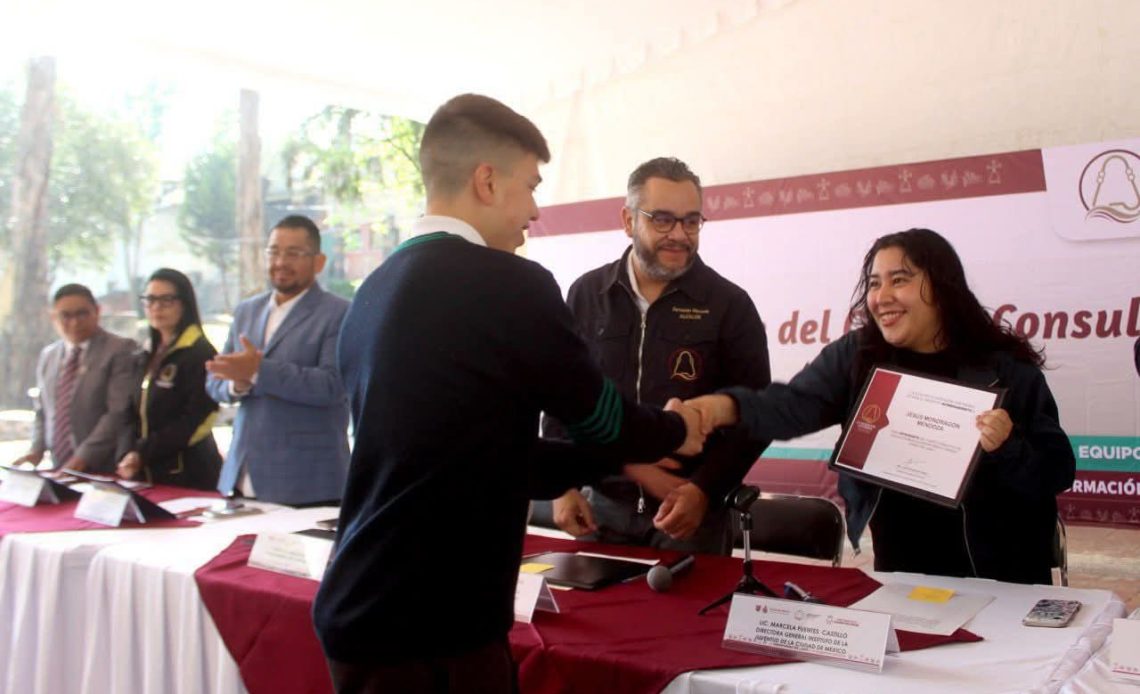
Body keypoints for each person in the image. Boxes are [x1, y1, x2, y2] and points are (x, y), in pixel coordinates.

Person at [312, 94, 704, 694]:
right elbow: (602, 419)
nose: (535, 210)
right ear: (487, 181)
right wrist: (678, 428)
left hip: (364, 606)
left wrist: (620, 460)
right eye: (529, 186)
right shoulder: (510, 285)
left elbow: (493, 457)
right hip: (433, 625)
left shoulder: (373, 290)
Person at [689, 228, 1074, 584]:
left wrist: (1008, 447)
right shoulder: (856, 358)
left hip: (1005, 577)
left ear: (941, 286)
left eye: (900, 280)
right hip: (903, 576)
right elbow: (792, 407)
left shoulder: (1007, 370)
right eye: (874, 284)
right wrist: (724, 408)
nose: (881, 296)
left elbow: (1057, 471)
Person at [543, 157, 771, 554]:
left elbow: (755, 416)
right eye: (662, 220)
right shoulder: (586, 294)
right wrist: (562, 485)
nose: (679, 235)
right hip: (600, 509)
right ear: (629, 221)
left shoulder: (730, 305)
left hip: (690, 516)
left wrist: (704, 490)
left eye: (691, 221)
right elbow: (561, 399)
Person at [205, 215, 350, 506]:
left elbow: (333, 386)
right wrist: (238, 384)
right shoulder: (246, 311)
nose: (280, 262)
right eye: (273, 252)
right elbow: (215, 383)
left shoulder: (340, 313)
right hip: (241, 475)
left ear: (319, 262)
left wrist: (259, 371)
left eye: (293, 253)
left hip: (307, 482)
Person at [12, 284, 136, 473]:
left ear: (97, 311)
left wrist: (83, 457)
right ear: (53, 317)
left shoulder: (120, 350)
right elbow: (42, 411)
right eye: (66, 316)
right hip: (59, 468)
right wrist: (36, 450)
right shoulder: (49, 355)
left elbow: (117, 413)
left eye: (82, 314)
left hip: (104, 469)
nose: (75, 323)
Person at [117, 268, 222, 491]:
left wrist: (143, 451)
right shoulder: (146, 352)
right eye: (151, 299)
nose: (156, 307)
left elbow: (197, 418)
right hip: (145, 470)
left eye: (167, 300)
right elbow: (129, 411)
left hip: (188, 473)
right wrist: (128, 451)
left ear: (184, 303)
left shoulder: (199, 353)